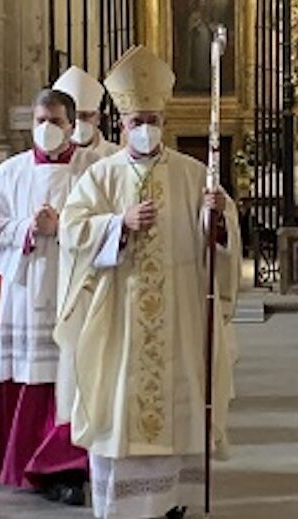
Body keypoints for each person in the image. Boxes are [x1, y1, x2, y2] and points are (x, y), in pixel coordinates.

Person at [53, 45, 241, 519]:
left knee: (177, 398)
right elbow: (73, 230)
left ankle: (172, 499)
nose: (144, 129)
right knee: (121, 404)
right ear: (122, 126)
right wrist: (118, 224)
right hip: (120, 314)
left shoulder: (194, 174)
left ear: (165, 121)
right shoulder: (100, 176)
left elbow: (218, 244)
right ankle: (125, 504)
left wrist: (216, 220)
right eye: (136, 121)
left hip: (178, 312)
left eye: (152, 119)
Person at [0, 89, 99, 505]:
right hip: (26, 286)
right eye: (40, 120)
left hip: (74, 288)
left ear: (73, 125)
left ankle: (64, 467)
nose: (46, 128)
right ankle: (17, 460)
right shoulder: (11, 172)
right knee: (29, 376)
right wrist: (27, 228)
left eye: (55, 121)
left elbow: (106, 226)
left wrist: (63, 228)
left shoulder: (93, 168)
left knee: (68, 378)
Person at [53, 65, 121, 157]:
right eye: (72, 117)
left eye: (85, 115)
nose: (78, 122)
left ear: (98, 118)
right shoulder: (52, 158)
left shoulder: (116, 155)